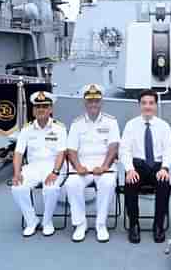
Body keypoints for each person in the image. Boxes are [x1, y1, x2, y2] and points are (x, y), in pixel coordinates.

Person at [65, 84, 120, 243]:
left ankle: (100, 224)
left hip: (104, 166)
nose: (93, 104)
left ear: (101, 102)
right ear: (85, 102)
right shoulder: (77, 123)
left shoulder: (111, 122)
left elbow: (113, 146)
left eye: (96, 101)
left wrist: (104, 166)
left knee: (108, 183)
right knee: (72, 184)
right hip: (82, 167)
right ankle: (80, 224)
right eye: (90, 101)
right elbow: (71, 149)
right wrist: (78, 166)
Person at [11, 91, 67, 237]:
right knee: (17, 187)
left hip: (55, 166)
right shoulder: (26, 129)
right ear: (33, 110)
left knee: (51, 188)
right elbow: (18, 153)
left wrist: (55, 172)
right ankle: (32, 221)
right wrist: (17, 173)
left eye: (44, 106)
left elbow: (62, 153)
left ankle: (47, 221)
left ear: (51, 109)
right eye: (37, 106)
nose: (41, 109)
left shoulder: (59, 128)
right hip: (33, 167)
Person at [120, 89, 171, 243]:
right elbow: (125, 150)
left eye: (151, 103)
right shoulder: (131, 125)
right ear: (139, 105)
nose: (147, 106)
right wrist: (129, 169)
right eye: (144, 103)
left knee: (164, 183)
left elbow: (169, 149)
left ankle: (158, 225)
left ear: (156, 105)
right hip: (137, 165)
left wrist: (165, 168)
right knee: (130, 183)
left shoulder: (164, 126)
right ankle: (134, 224)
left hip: (157, 166)